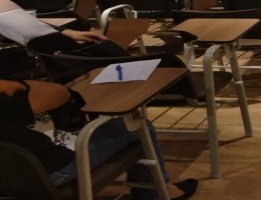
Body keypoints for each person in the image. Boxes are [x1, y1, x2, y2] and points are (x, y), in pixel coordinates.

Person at [0, 78, 198, 200]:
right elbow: (61, 93)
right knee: (136, 125)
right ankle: (155, 194)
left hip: (13, 170)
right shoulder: (5, 90)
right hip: (45, 170)